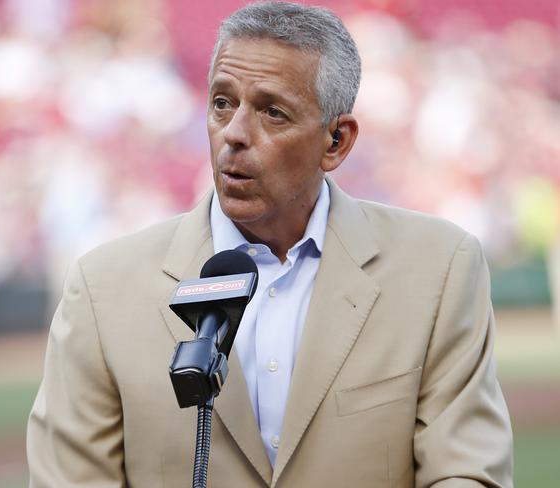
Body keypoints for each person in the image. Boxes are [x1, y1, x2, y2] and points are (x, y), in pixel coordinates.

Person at [26, 2, 513, 487]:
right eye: (222, 102)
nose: (233, 134)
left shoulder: (439, 268)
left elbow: (466, 474)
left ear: (336, 142)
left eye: (272, 112)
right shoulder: (101, 290)